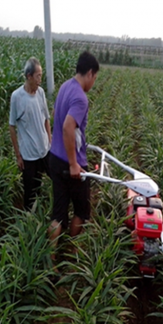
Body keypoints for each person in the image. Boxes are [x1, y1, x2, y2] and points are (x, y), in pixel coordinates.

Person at [47, 51, 99, 257]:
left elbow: (55, 116)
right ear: (89, 73)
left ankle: (50, 260)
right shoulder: (80, 97)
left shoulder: (64, 87)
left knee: (58, 214)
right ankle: (71, 256)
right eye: (94, 78)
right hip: (71, 165)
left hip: (54, 158)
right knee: (82, 211)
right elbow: (68, 127)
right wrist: (73, 163)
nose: (93, 82)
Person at [9, 57, 52, 210]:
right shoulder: (17, 97)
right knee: (30, 190)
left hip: (44, 150)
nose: (40, 79)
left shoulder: (40, 93)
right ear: (29, 76)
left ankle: (41, 211)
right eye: (38, 76)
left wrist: (50, 140)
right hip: (28, 155)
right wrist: (18, 155)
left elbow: (46, 119)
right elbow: (12, 127)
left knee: (50, 180)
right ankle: (28, 220)